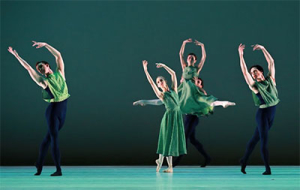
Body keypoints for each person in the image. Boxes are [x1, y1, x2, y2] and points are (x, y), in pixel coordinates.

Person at [8, 41, 70, 176]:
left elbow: (58, 55)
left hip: (63, 110)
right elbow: (28, 68)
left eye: (41, 67)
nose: (39, 70)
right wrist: (17, 56)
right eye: (38, 69)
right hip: (53, 112)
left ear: (47, 66)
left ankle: (39, 163)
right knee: (54, 137)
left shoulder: (60, 73)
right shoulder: (43, 82)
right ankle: (58, 169)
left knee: (48, 138)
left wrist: (46, 45)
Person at [238, 43, 279, 175]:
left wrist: (263, 49)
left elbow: (271, 62)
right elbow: (244, 73)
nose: (253, 74)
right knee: (264, 140)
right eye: (252, 73)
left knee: (256, 138)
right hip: (262, 114)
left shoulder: (271, 79)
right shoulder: (255, 86)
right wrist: (241, 55)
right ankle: (267, 168)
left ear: (261, 72)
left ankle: (243, 160)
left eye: (255, 71)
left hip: (272, 113)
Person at [141, 60, 186, 173]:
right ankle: (168, 166)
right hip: (168, 118)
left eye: (160, 80)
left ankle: (161, 161)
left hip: (176, 117)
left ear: (164, 81)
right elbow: (151, 83)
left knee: (172, 140)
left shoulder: (174, 90)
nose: (159, 82)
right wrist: (146, 70)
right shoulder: (161, 95)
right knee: (167, 140)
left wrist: (165, 66)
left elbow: (174, 74)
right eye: (158, 82)